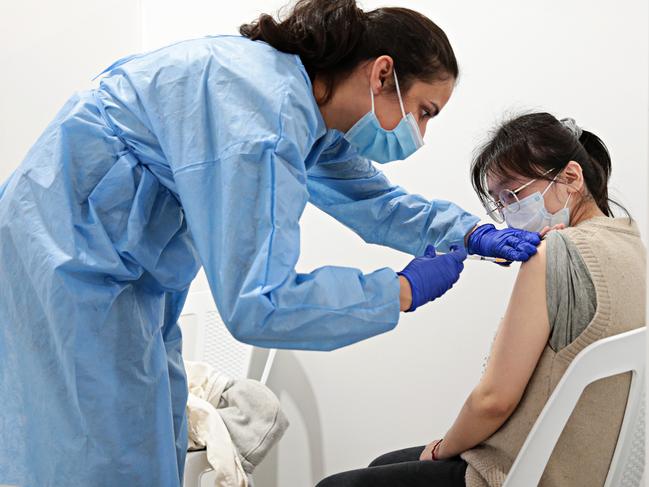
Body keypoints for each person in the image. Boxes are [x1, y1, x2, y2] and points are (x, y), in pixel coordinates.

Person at [0, 1, 541, 486]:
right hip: (67, 250)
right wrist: (397, 291)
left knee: (149, 420)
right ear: (382, 74)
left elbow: (374, 201)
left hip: (123, 264)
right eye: (424, 111)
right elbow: (260, 303)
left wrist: (467, 231)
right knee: (97, 443)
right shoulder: (260, 117)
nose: (419, 134)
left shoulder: (307, 108)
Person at [315, 113, 646, 487]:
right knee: (383, 464)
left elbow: (493, 400)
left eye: (513, 194)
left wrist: (440, 448)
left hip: (527, 472)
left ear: (570, 177)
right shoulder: (632, 245)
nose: (507, 213)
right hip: (587, 467)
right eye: (498, 202)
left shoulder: (551, 252)